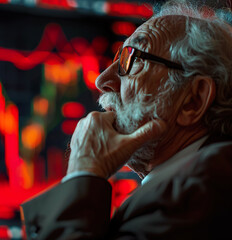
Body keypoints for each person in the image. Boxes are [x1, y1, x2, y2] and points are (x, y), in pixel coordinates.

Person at [21, 1, 232, 239]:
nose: (102, 80)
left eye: (131, 59)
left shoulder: (191, 196)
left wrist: (85, 171)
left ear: (193, 100)